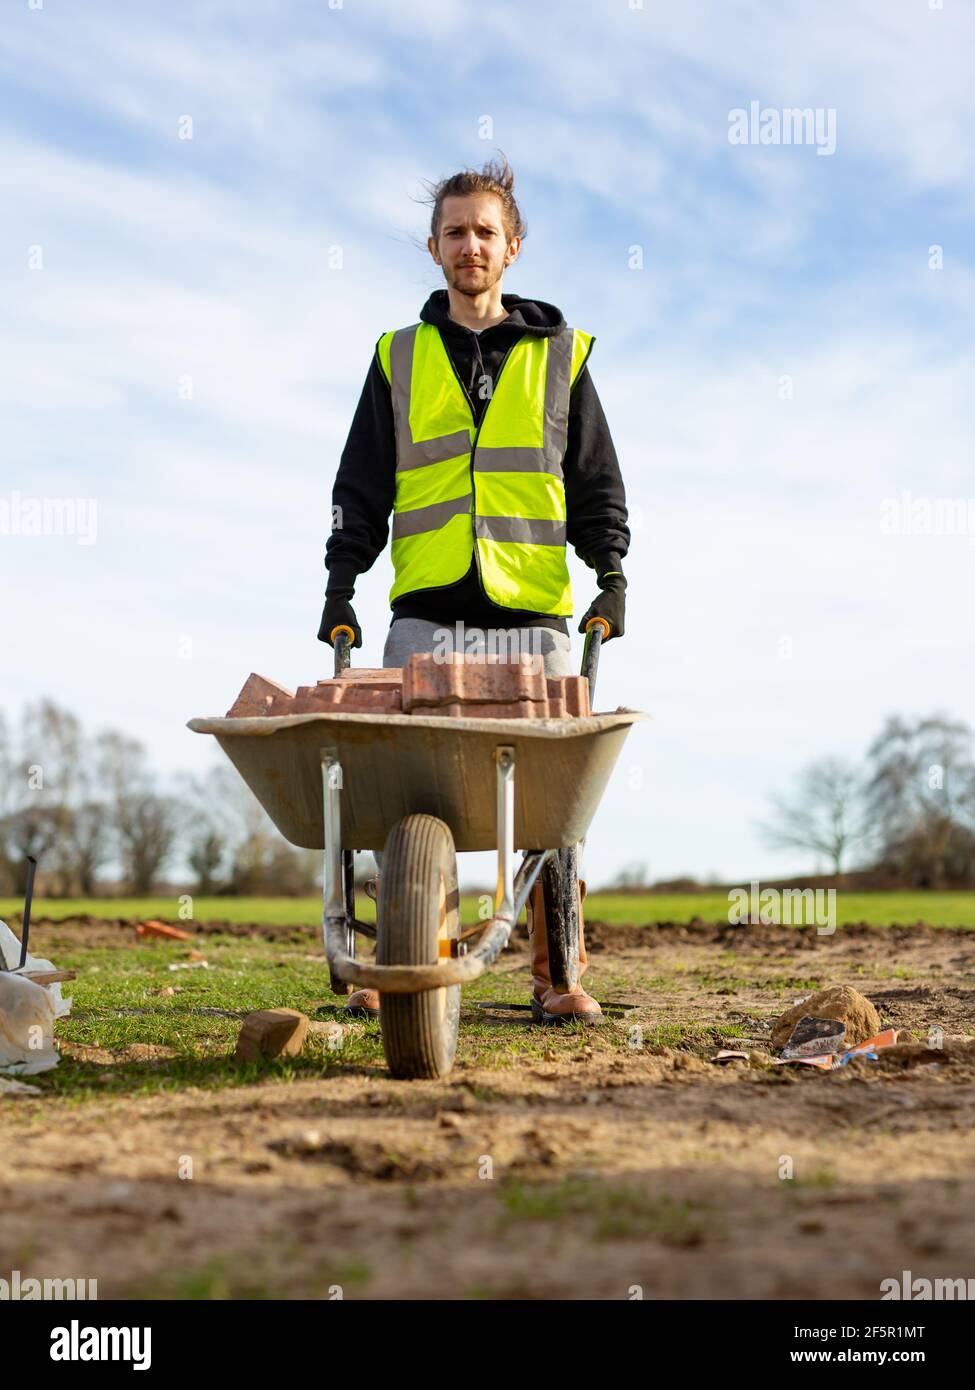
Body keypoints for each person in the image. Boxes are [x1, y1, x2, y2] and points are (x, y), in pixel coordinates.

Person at [317, 155, 630, 1023]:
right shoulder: (400, 357)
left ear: (512, 246)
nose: (469, 245)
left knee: (550, 809)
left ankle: (556, 977)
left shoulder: (561, 357)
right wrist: (341, 586)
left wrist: (611, 578)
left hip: (531, 610)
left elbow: (596, 484)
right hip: (425, 610)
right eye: (454, 232)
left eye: (484, 231)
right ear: (433, 247)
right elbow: (361, 489)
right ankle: (403, 966)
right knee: (402, 799)